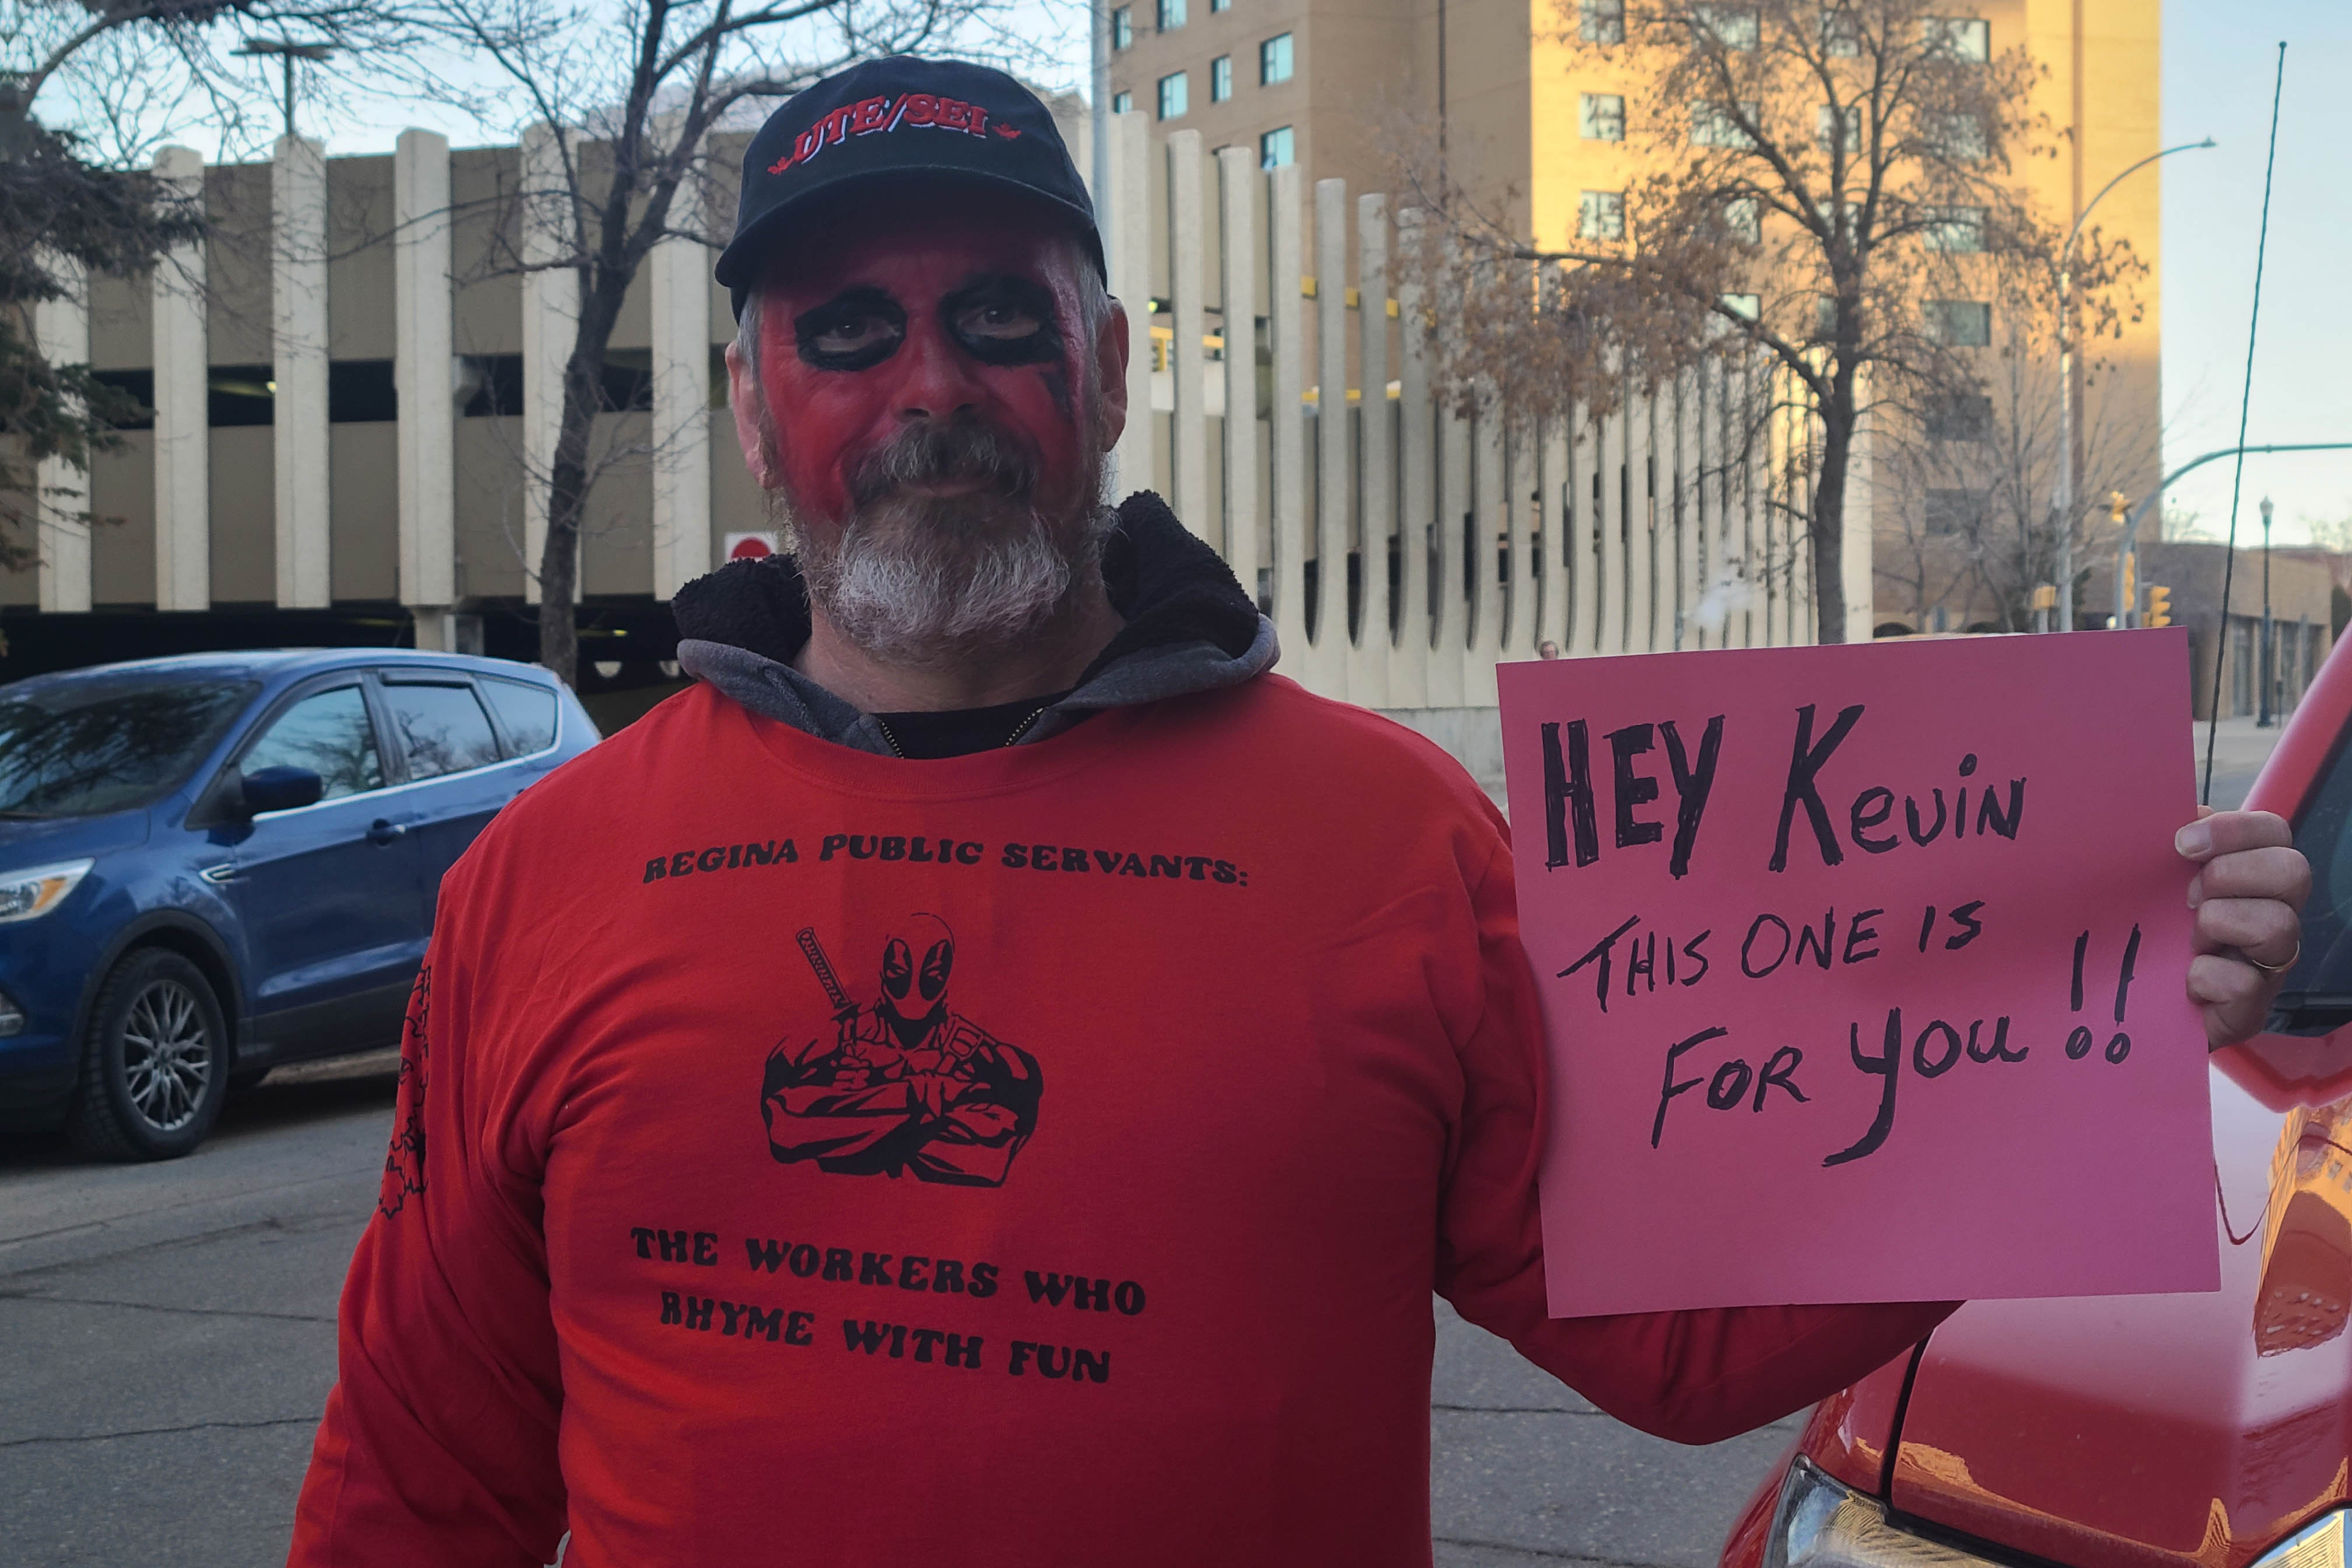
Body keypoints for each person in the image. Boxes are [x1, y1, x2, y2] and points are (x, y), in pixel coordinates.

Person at [287, 58, 2310, 1567]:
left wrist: (2078, 1047)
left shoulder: (1393, 844)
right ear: (754, 403)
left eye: (1000, 319)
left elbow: (1675, 1333)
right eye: (848, 332)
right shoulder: (550, 876)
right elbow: (422, 1471)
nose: (931, 387)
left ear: (1109, 370)